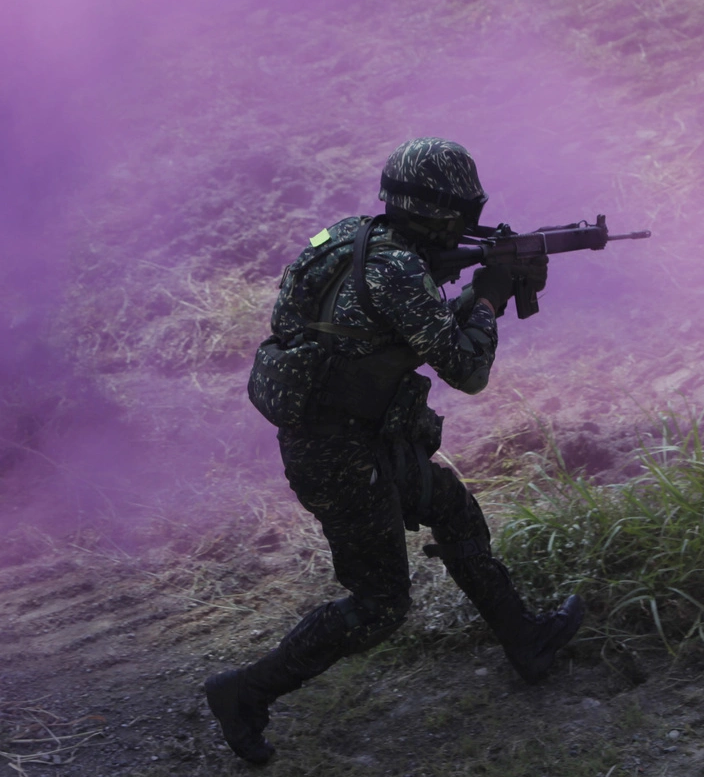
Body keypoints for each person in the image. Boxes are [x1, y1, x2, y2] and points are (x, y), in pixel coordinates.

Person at [207, 137, 585, 764]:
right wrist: (491, 294)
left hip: (356, 438)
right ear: (439, 213)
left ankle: (528, 643)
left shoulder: (353, 238)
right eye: (461, 213)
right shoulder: (398, 270)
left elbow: (409, 331)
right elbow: (465, 368)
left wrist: (486, 286)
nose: (468, 224)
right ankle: (244, 693)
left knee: (456, 512)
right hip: (340, 456)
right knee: (380, 607)